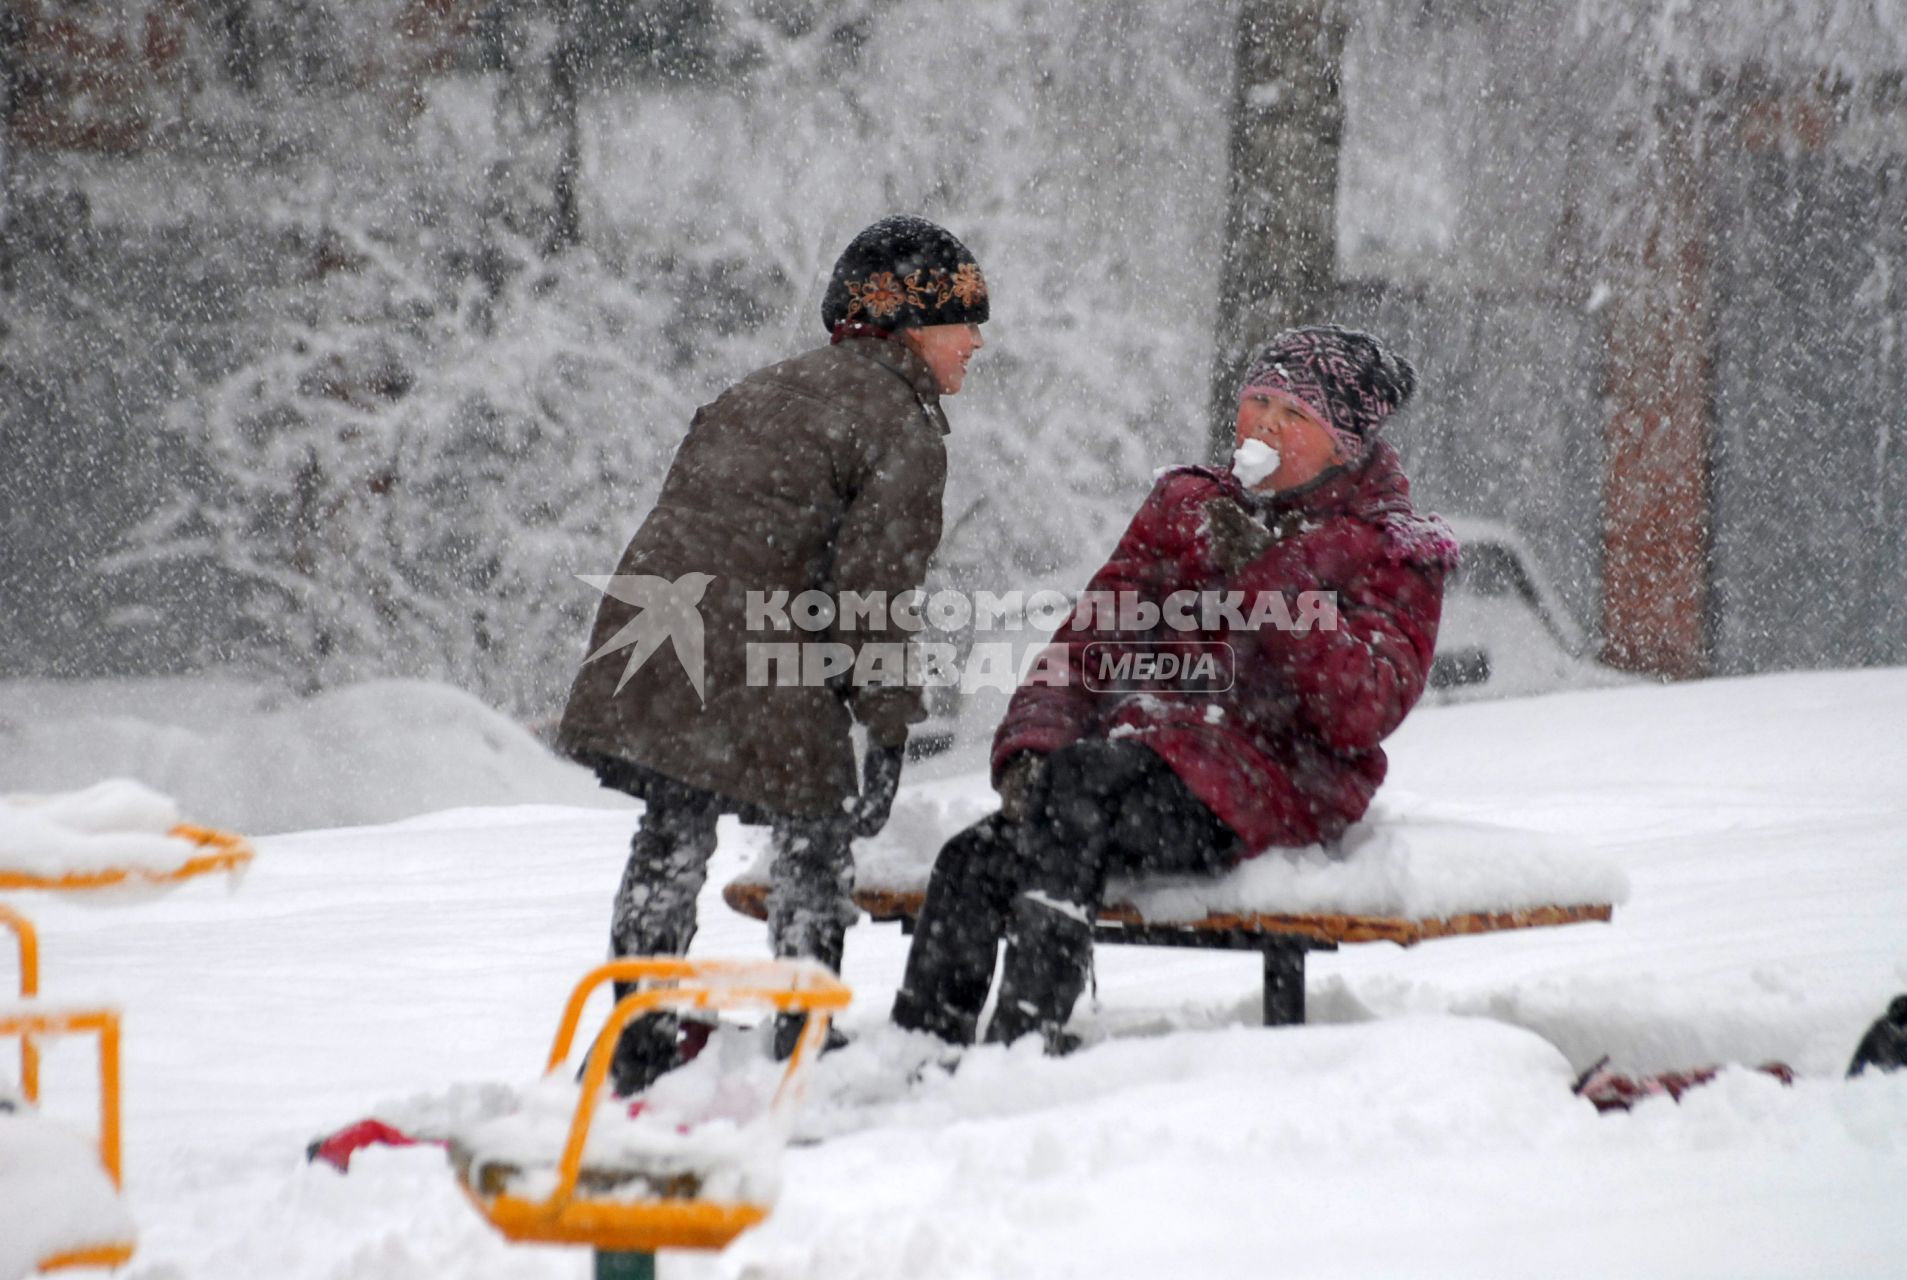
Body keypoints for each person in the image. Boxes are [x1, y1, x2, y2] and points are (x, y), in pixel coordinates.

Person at [891, 324, 1455, 1052]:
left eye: (1295, 416)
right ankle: (916, 1055)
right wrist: (1034, 745)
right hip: (1133, 770)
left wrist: (1269, 575)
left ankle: (1022, 1044)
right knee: (970, 860)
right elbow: (1087, 642)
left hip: (1278, 784)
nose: (1265, 426)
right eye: (1257, 402)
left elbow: (1361, 708)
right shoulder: (1187, 504)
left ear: (1344, 441)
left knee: (1081, 790)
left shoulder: (1392, 549)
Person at [558, 215, 989, 1092]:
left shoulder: (759, 389)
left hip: (654, 638)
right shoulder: (900, 421)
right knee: (815, 836)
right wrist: (887, 727)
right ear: (908, 324)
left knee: (671, 829)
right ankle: (802, 1031)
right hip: (760, 654)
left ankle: (639, 1033)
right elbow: (870, 593)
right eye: (962, 318)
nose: (977, 339)